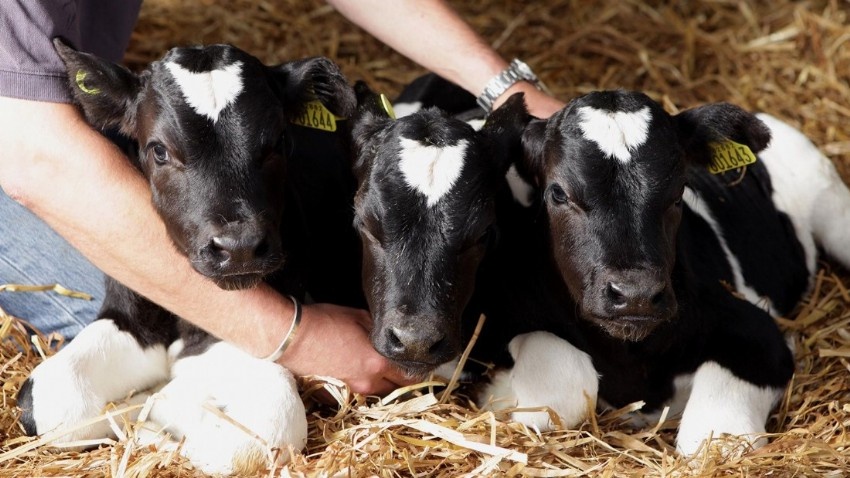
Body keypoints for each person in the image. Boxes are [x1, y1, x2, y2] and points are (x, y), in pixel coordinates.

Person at [0, 0, 564, 396]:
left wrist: (504, 87)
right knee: (158, 317)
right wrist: (293, 336)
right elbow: (34, 154)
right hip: (29, 149)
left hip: (90, 126)